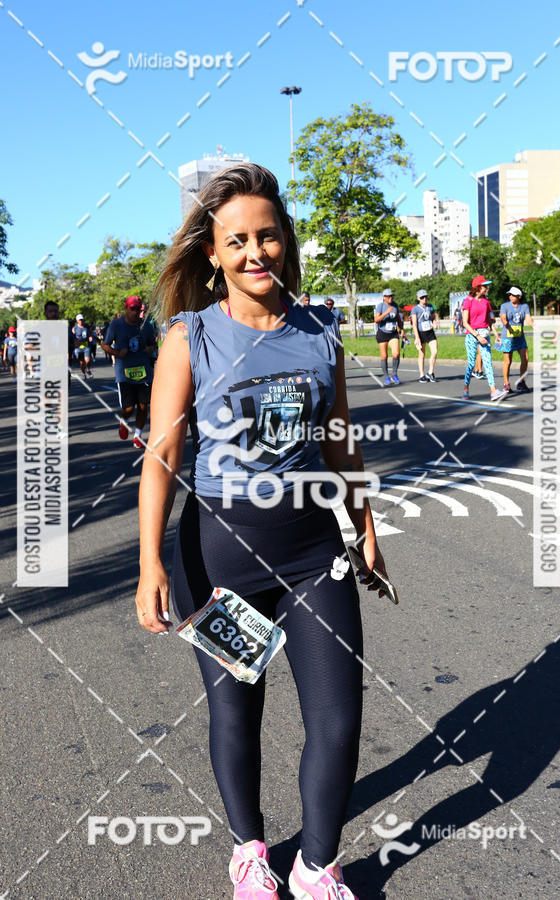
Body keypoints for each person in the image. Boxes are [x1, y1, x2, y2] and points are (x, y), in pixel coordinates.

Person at [135, 163, 389, 900]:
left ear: (285, 241)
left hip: (314, 552)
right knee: (236, 710)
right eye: (236, 240)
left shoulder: (320, 332)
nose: (255, 252)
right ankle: (249, 850)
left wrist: (365, 524)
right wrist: (151, 562)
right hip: (219, 557)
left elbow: (340, 440)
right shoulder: (191, 337)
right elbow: (164, 455)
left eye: (267, 235)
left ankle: (316, 864)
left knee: (339, 719)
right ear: (211, 254)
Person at [101, 295, 157, 448]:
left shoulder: (146, 326)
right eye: (132, 309)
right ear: (126, 309)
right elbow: (104, 345)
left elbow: (153, 345)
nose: (135, 312)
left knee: (143, 406)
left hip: (144, 372)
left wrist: (149, 349)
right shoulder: (116, 325)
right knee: (129, 408)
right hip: (124, 373)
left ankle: (138, 435)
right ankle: (124, 421)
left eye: (137, 309)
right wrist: (117, 354)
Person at [461, 276, 505, 402]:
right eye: (484, 286)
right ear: (478, 287)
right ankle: (465, 388)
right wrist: (477, 336)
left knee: (488, 362)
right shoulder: (468, 301)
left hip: (484, 334)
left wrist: (496, 334)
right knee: (471, 363)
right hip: (472, 335)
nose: (486, 288)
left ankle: (493, 391)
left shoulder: (486, 302)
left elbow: (490, 321)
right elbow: (465, 322)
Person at [499, 287, 533, 393]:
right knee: (508, 361)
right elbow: (503, 319)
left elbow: (528, 319)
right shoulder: (504, 306)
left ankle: (521, 382)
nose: (510, 296)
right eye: (509, 294)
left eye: (513, 295)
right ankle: (506, 384)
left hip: (520, 337)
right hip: (507, 337)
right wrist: (509, 327)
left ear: (519, 296)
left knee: (525, 358)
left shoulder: (524, 306)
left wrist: (535, 326)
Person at [374, 287, 403, 385]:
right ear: (384, 297)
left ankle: (394, 374)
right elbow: (376, 319)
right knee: (384, 355)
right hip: (382, 333)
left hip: (393, 333)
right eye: (388, 296)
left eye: (391, 296)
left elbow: (398, 318)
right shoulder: (380, 306)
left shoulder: (395, 305)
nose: (390, 298)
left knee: (396, 353)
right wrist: (386, 312)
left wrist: (402, 328)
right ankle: (386, 376)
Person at [411, 288, 438, 383]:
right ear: (418, 298)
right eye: (422, 297)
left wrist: (435, 323)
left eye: (425, 297)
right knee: (422, 354)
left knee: (434, 351)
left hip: (430, 332)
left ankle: (430, 372)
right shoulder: (415, 309)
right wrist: (417, 337)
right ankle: (422, 374)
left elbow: (433, 317)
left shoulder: (430, 307)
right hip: (420, 333)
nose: (424, 299)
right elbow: (414, 324)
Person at [71, 313, 94, 379]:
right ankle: (83, 374)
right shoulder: (74, 328)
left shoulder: (86, 326)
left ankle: (88, 370)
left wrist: (90, 337)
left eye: (82, 320)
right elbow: (72, 337)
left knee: (88, 360)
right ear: (77, 321)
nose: (81, 321)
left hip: (86, 345)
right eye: (80, 320)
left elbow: (90, 333)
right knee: (81, 363)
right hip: (79, 347)